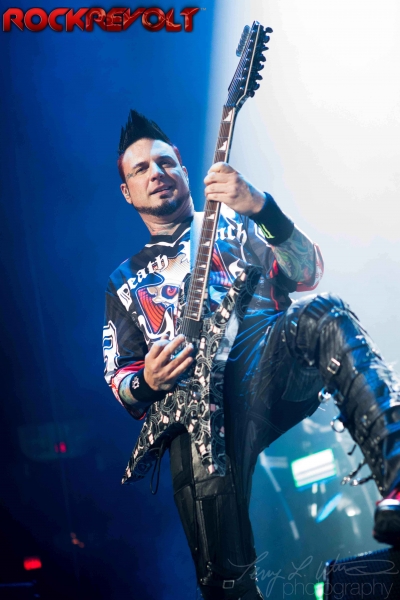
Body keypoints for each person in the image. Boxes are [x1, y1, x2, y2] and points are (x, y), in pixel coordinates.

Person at [103, 110, 400, 600]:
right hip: (194, 419)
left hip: (261, 364)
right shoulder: (122, 281)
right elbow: (121, 380)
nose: (156, 173)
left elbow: (307, 273)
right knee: (224, 583)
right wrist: (148, 381)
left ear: (184, 169)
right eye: (141, 169)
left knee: (323, 315)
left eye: (166, 162)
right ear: (127, 192)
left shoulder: (235, 224)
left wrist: (262, 208)